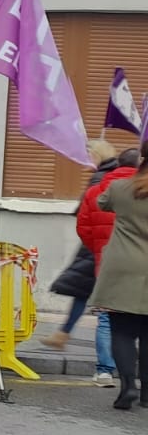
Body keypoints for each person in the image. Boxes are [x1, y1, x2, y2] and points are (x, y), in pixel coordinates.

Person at [43, 139, 119, 367]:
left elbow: (85, 213)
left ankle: (106, 363)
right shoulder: (117, 175)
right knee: (87, 292)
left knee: (97, 298)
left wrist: (90, 237)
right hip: (111, 244)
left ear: (97, 156)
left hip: (96, 244)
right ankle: (63, 334)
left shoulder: (99, 178)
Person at [87, 139, 148, 411]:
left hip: (123, 264)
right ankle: (147, 394)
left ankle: (127, 387)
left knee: (122, 331)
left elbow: (101, 202)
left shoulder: (120, 188)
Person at [77, 147, 140, 394]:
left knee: (107, 318)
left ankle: (105, 370)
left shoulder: (98, 190)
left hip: (108, 263)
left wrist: (99, 252)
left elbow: (84, 228)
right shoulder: (139, 190)